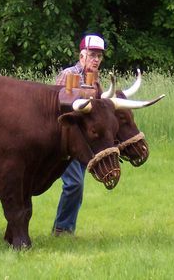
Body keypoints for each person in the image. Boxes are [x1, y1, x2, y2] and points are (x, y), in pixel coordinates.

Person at [53, 33, 106, 236]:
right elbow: (54, 106)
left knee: (78, 185)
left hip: (85, 141)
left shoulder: (96, 80)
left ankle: (66, 228)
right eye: (92, 54)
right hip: (67, 138)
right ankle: (63, 229)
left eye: (99, 56)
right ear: (82, 55)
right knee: (74, 183)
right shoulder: (69, 75)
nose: (96, 60)